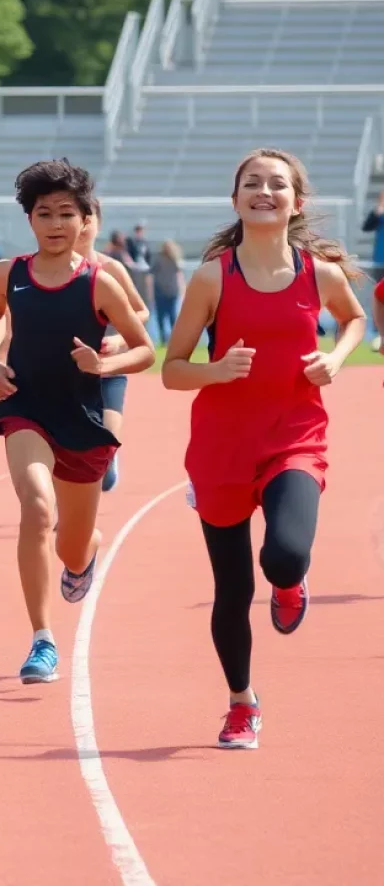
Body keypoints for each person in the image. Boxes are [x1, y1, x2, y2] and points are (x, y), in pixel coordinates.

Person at [162, 148, 366, 750]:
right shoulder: (211, 278)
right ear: (236, 200)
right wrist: (217, 370)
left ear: (295, 202)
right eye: (252, 183)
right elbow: (172, 370)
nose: (264, 191)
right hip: (221, 449)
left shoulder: (318, 274)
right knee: (232, 589)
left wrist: (333, 357)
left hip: (294, 438)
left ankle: (290, 583)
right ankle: (241, 704)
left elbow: (355, 320)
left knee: (283, 556)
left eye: (277, 184)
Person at [0, 159, 154, 686]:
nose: (55, 224)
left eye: (65, 213)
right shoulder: (9, 273)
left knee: (71, 545)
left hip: (81, 416)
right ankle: (42, 640)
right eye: (43, 213)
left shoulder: (101, 282)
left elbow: (146, 349)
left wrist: (104, 363)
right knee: (36, 507)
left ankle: (86, 552)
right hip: (25, 407)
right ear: (29, 220)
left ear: (85, 220)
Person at [75, 201, 151, 493]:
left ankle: (109, 463)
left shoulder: (111, 268)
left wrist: (119, 338)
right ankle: (64, 516)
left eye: (88, 219)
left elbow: (141, 311)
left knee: (102, 456)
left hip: (110, 373)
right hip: (67, 375)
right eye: (75, 218)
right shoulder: (51, 269)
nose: (82, 226)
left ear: (99, 224)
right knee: (70, 451)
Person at [150, 239, 185, 345]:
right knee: (170, 317)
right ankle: (168, 340)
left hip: (165, 292)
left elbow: (179, 275)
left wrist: (182, 290)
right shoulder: (163, 259)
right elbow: (179, 276)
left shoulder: (171, 259)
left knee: (166, 317)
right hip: (167, 292)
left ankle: (167, 339)